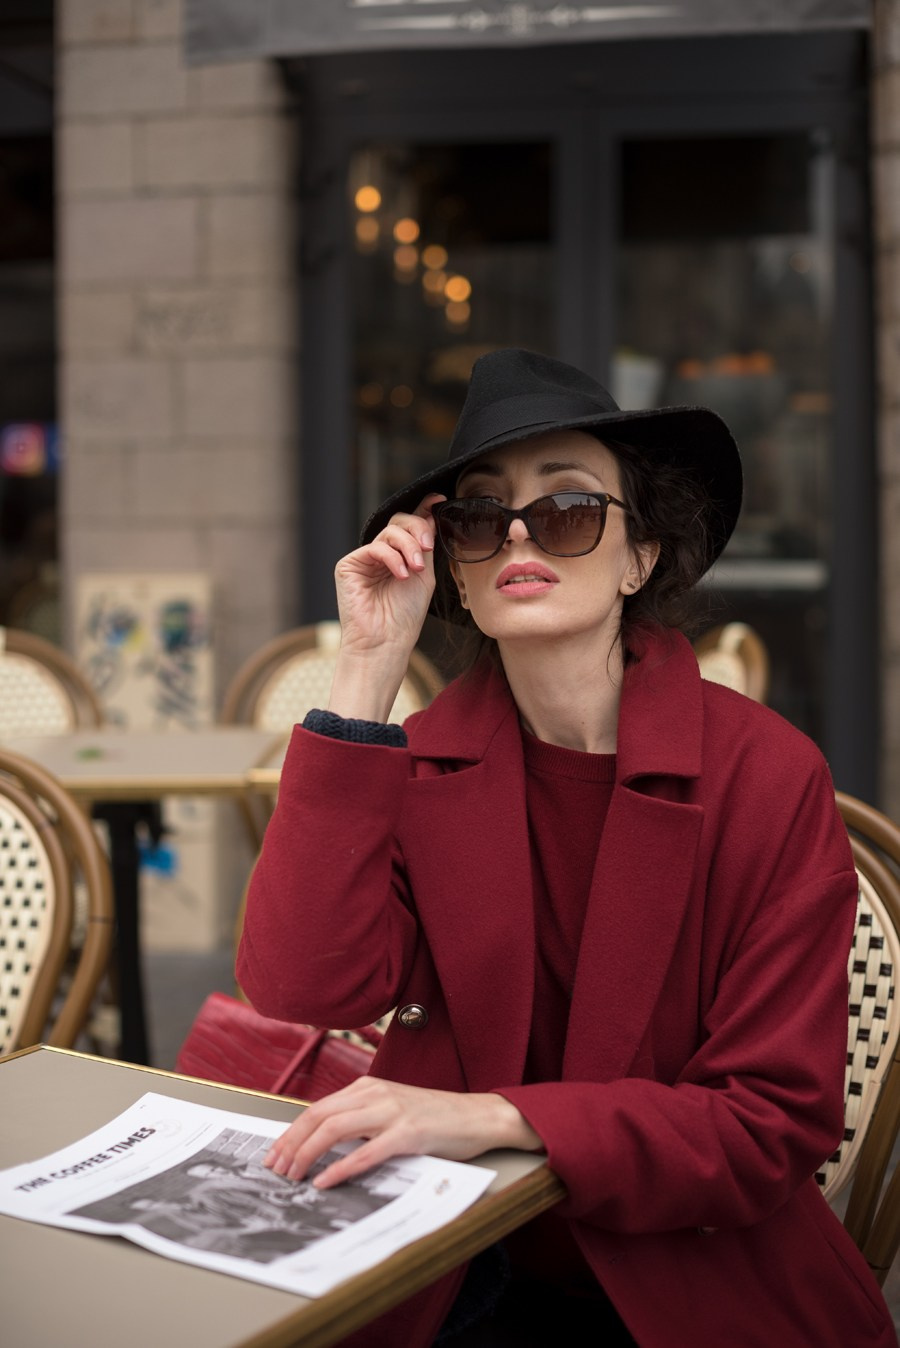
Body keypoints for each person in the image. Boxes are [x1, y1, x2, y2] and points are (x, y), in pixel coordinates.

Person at [237, 348, 895, 1346]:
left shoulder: (768, 775)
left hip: (689, 1282)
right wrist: (367, 669)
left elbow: (771, 1126)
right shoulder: (416, 766)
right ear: (454, 564)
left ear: (640, 556)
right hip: (450, 1264)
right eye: (477, 514)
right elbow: (301, 985)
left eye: (568, 508)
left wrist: (498, 1115)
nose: (516, 535)